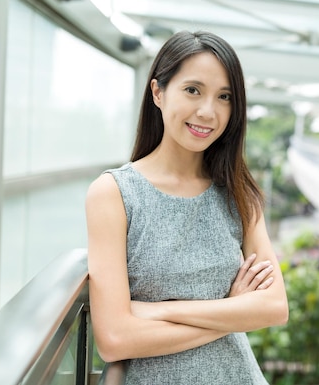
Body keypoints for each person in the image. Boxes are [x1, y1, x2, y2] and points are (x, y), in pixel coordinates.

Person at [85, 30, 289, 384]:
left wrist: (156, 312)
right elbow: (115, 339)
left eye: (224, 97)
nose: (208, 112)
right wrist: (232, 309)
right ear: (158, 92)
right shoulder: (114, 193)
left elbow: (274, 307)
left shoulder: (239, 193)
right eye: (193, 90)